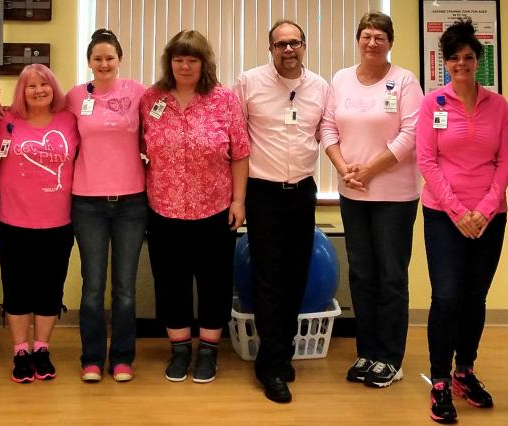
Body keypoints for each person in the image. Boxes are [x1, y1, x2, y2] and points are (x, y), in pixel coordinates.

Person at [415, 19, 508, 424]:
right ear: (445, 64)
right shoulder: (432, 104)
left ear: (478, 61)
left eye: (468, 57)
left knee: (475, 297)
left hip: (489, 217)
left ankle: (464, 371)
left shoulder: (499, 105)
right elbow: (426, 160)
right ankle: (439, 380)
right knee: (447, 296)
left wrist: (486, 209)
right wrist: (457, 211)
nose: (461, 64)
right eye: (453, 58)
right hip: (443, 215)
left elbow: (505, 159)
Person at [319, 11, 422, 391]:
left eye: (380, 35)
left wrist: (370, 170)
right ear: (358, 40)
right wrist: (345, 168)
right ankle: (367, 351)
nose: (373, 41)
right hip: (352, 192)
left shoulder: (404, 81)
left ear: (390, 42)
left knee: (391, 276)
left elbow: (411, 133)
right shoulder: (342, 79)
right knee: (361, 274)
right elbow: (328, 126)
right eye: (366, 35)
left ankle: (390, 358)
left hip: (394, 196)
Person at [140, 30, 249, 385]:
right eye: (178, 59)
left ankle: (209, 351)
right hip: (163, 211)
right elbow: (136, 152)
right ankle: (180, 349)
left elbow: (240, 154)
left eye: (192, 59)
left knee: (215, 284)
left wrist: (238, 201)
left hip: (215, 210)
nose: (185, 65)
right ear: (169, 63)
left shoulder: (224, 100)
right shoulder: (151, 99)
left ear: (204, 63)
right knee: (171, 283)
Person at [233, 19, 328, 404]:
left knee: (295, 276)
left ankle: (281, 350)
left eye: (295, 43)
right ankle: (270, 366)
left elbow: (331, 135)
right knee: (269, 278)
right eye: (281, 44)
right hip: (263, 193)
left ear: (304, 46)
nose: (289, 50)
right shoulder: (248, 83)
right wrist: (235, 198)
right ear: (270, 49)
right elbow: (235, 141)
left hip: (302, 192)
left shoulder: (320, 87)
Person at [65, 29, 147, 383]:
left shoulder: (138, 93)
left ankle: (123, 357)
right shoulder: (74, 97)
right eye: (97, 58)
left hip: (131, 201)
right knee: (93, 285)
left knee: (125, 288)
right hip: (88, 202)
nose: (104, 64)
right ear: (89, 62)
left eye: (109, 58)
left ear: (119, 59)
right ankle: (92, 359)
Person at [0, 64, 78, 383]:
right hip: (12, 220)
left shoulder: (69, 121)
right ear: (22, 92)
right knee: (16, 288)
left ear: (54, 88)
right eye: (31, 86)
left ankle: (41, 348)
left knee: (49, 288)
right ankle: (20, 351)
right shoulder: (8, 122)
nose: (39, 90)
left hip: (58, 221)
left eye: (45, 84)